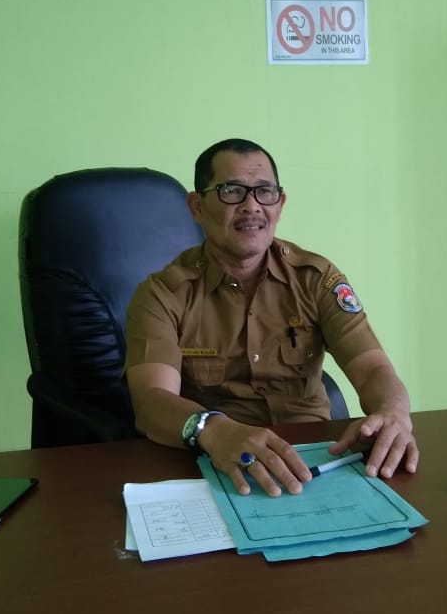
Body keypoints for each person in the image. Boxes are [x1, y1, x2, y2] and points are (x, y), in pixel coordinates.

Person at [125, 138, 418, 499]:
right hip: (218, 465)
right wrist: (214, 430)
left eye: (265, 192)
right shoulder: (162, 294)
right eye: (231, 191)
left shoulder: (316, 278)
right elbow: (151, 401)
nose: (252, 206)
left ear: (280, 203)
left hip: (316, 463)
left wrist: (393, 411)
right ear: (197, 207)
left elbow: (372, 367)